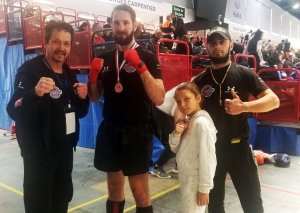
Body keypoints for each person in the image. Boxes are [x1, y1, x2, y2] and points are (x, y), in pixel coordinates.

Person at [175, 26, 280, 213]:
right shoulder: (199, 80)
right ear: (206, 47)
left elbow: (273, 100)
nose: (217, 47)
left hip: (239, 148)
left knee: (252, 204)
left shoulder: (244, 73)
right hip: (210, 151)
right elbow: (179, 105)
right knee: (214, 205)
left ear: (230, 45)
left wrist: (244, 107)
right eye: (213, 43)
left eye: (222, 42)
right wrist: (180, 121)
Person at [6, 20, 90, 213]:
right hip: (38, 154)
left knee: (61, 200)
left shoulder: (69, 74)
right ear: (46, 42)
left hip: (65, 151)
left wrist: (83, 99)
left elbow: (80, 112)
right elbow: (13, 109)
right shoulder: (30, 71)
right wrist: (33, 93)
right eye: (56, 42)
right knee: (38, 205)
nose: (61, 48)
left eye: (66, 43)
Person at [88, 4, 165, 213]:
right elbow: (95, 97)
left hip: (138, 130)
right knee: (114, 187)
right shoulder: (104, 58)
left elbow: (158, 97)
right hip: (111, 128)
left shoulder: (148, 57)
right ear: (111, 25)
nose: (120, 27)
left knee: (139, 191)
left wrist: (140, 66)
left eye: (125, 23)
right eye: (116, 22)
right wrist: (92, 79)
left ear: (133, 25)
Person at [169, 82, 217, 213]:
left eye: (186, 99)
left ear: (198, 98)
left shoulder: (202, 124)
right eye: (178, 102)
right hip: (185, 176)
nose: (182, 105)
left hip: (195, 179)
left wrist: (204, 188)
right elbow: (174, 148)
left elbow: (208, 158)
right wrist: (177, 133)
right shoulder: (189, 120)